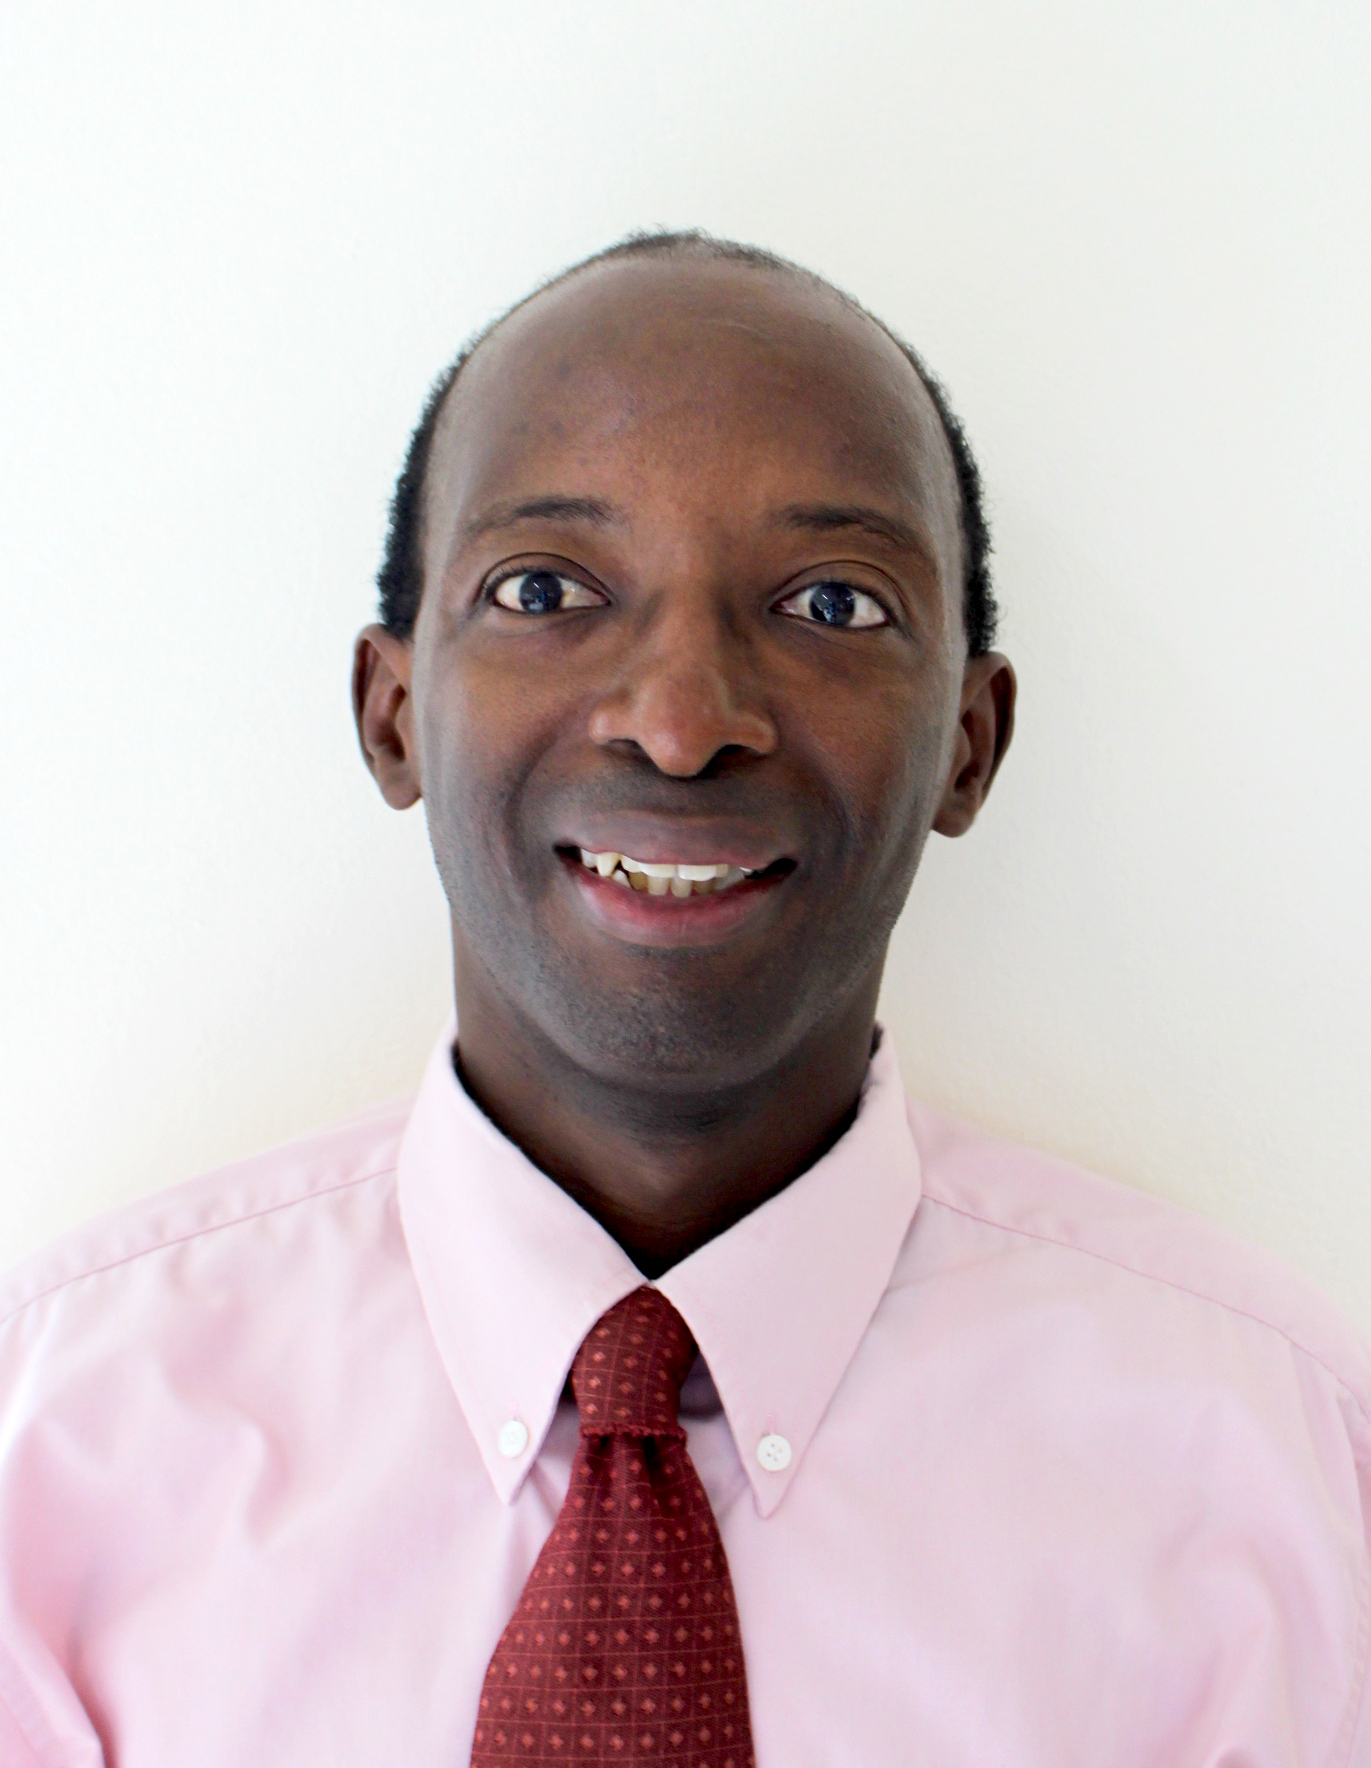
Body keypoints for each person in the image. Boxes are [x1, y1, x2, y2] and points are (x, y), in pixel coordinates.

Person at [0, 232, 1367, 1768]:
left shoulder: (1283, 1484)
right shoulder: (51, 1456)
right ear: (393, 716)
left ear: (968, 747)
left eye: (833, 604)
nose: (679, 720)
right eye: (544, 587)